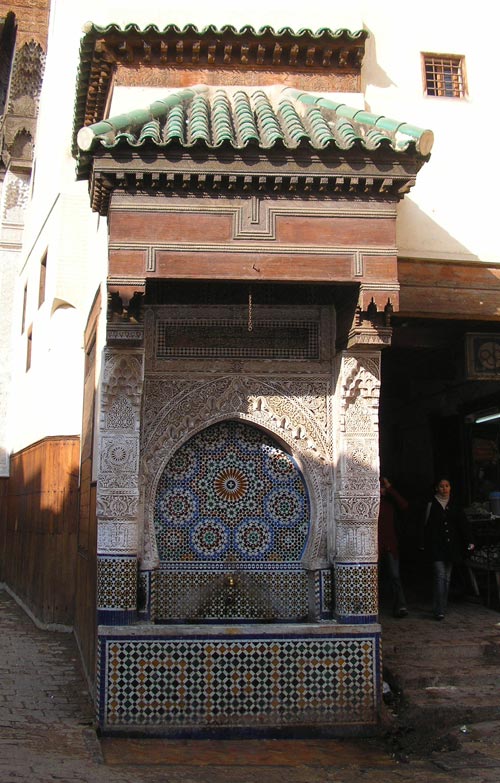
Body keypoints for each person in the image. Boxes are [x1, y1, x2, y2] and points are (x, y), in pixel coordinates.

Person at [422, 477, 475, 621]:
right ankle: (439, 609)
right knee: (440, 576)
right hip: (436, 547)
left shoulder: (455, 505)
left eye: (447, 486)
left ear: (450, 487)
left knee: (446, 577)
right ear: (436, 488)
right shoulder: (431, 505)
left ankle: (441, 606)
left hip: (451, 547)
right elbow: (426, 527)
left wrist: (470, 541)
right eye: (441, 486)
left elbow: (462, 524)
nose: (444, 489)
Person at [378, 477, 409, 618]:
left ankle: (400, 605)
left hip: (390, 544)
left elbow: (404, 505)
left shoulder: (390, 504)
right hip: (374, 546)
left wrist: (390, 489)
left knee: (395, 576)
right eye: (380, 487)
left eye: (384, 487)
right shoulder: (371, 503)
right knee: (371, 577)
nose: (382, 490)